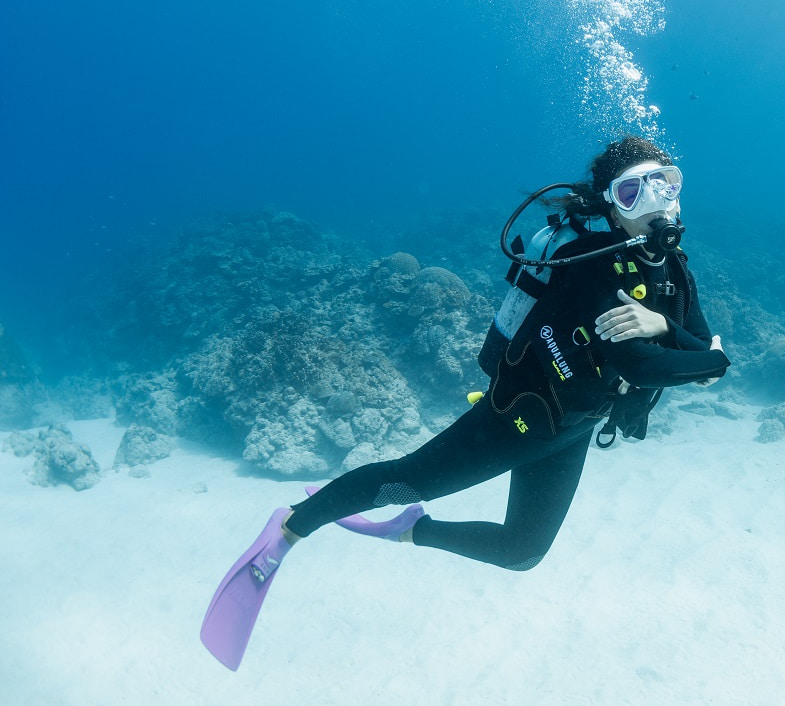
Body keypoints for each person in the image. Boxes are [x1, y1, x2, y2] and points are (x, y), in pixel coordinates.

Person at [200, 135, 730, 670]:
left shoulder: (674, 272)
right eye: (634, 190)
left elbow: (705, 357)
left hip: (572, 427)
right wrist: (700, 354)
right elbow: (658, 365)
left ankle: (411, 530)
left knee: (522, 552)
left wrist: (667, 328)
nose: (656, 201)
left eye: (665, 184)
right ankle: (290, 525)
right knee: (405, 479)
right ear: (611, 205)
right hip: (517, 416)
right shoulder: (586, 265)